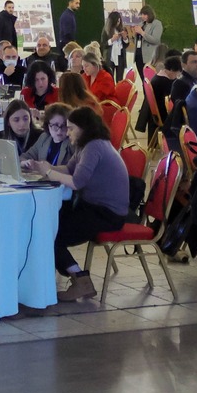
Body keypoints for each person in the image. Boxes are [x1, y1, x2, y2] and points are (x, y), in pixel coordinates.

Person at [32, 105, 129, 302]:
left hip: (107, 214)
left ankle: (81, 281)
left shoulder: (94, 147)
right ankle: (73, 277)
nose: (67, 133)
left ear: (84, 128)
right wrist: (44, 167)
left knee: (50, 233)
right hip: (94, 207)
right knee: (47, 225)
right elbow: (69, 169)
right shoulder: (88, 145)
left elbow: (77, 182)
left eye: (71, 128)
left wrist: (49, 172)